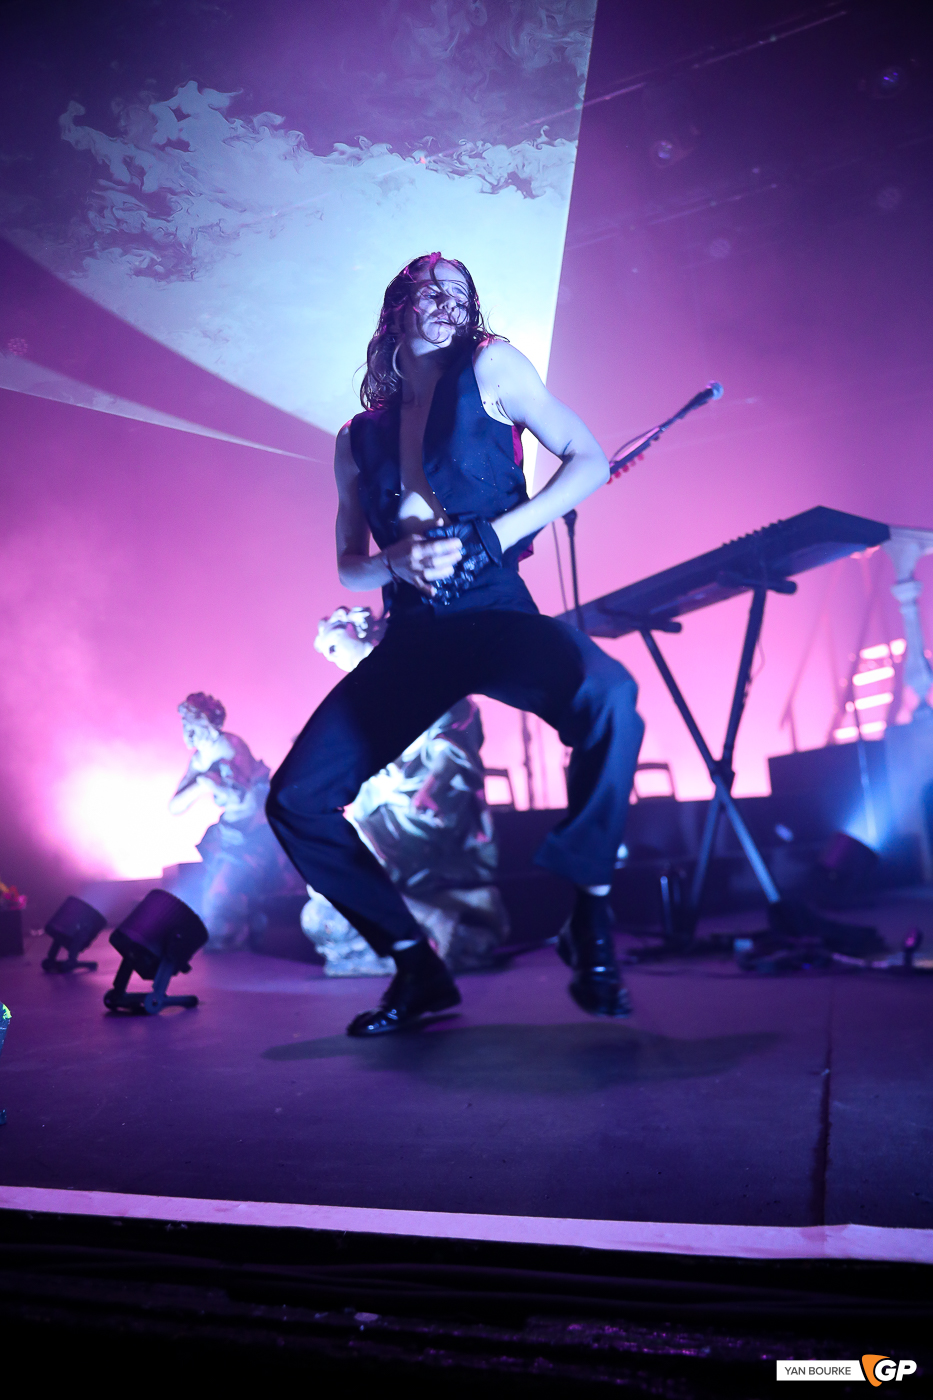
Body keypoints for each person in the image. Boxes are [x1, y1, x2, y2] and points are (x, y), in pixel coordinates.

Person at [267, 253, 644, 1035]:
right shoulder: (354, 438)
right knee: (297, 800)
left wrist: (492, 537)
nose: (444, 301)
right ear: (395, 306)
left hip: (495, 611)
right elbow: (348, 570)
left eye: (459, 293)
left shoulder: (493, 367)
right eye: (428, 289)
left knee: (609, 696)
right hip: (413, 634)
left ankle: (588, 908)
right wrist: (390, 561)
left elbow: (590, 460)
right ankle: (415, 967)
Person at [302, 605, 510, 975]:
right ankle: (449, 916)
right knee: (321, 903)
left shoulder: (415, 674)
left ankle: (434, 928)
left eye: (334, 647)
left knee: (335, 878)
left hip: (417, 810)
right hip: (379, 807)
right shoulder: (362, 693)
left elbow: (454, 733)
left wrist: (429, 787)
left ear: (358, 631)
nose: (332, 660)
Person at [170, 692, 295, 949]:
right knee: (213, 901)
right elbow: (175, 806)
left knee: (222, 896)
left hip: (255, 831)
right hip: (230, 833)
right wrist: (201, 785)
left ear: (207, 722)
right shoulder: (199, 759)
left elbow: (240, 795)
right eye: (184, 723)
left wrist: (211, 784)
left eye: (191, 722)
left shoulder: (231, 745)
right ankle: (239, 934)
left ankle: (243, 934)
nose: (187, 730)